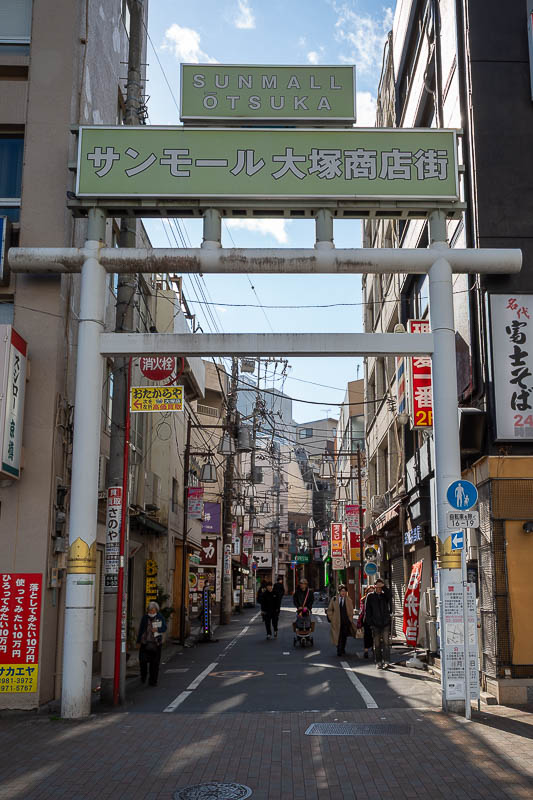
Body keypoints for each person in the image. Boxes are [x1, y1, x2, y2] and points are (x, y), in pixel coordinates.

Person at [364, 578, 393, 669]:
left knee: (386, 643)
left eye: (381, 586)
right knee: (376, 644)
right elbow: (367, 611)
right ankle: (379, 662)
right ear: (375, 586)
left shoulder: (385, 596)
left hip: (385, 623)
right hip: (375, 624)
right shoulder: (370, 596)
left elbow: (390, 595)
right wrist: (370, 623)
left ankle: (387, 661)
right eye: (378, 585)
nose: (379, 588)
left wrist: (384, 587)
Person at [137, 601, 167, 686]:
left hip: (156, 644)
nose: (151, 612)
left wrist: (158, 629)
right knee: (142, 662)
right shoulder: (145, 618)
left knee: (154, 664)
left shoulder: (159, 617)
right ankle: (143, 676)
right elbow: (141, 629)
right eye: (150, 611)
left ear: (156, 610)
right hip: (145, 643)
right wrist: (138, 641)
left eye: (153, 611)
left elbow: (164, 627)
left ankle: (153, 681)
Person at [327, 585, 357, 656]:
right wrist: (332, 618)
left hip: (345, 621)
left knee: (344, 636)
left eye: (344, 591)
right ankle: (339, 649)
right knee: (338, 635)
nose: (343, 593)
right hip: (337, 621)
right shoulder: (334, 599)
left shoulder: (349, 600)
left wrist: (350, 619)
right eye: (342, 591)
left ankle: (342, 648)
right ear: (339, 592)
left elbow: (351, 610)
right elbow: (330, 610)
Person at [357, 585, 375, 659]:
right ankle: (366, 651)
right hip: (366, 620)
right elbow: (362, 611)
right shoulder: (363, 600)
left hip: (375, 620)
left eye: (372, 591)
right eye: (369, 591)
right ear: (366, 592)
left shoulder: (376, 598)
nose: (371, 592)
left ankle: (374, 649)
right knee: (367, 636)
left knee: (374, 635)